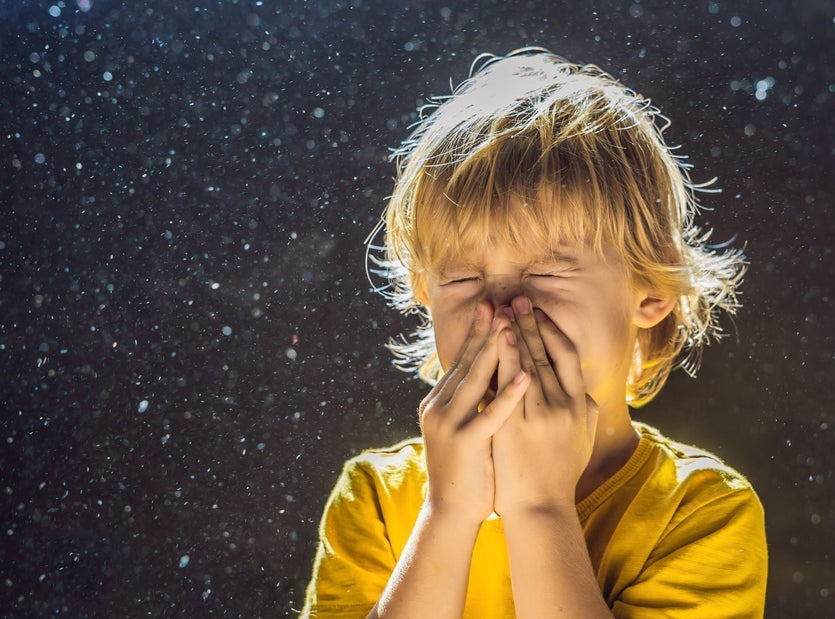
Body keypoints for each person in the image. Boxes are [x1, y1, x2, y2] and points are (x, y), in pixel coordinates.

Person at [299, 48, 767, 618]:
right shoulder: (375, 497)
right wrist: (447, 515)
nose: (501, 309)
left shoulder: (702, 512)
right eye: (463, 278)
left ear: (651, 290)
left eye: (546, 272)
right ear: (425, 296)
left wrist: (540, 507)